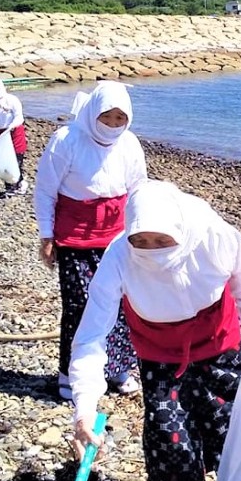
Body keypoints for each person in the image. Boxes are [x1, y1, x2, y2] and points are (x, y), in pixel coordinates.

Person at [68, 179, 241, 481]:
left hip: (218, 341)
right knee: (169, 430)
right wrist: (84, 407)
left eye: (161, 241)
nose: (151, 249)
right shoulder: (119, 257)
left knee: (231, 426)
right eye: (141, 241)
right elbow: (90, 336)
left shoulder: (213, 235)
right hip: (159, 351)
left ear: (178, 231)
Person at [34, 82, 147, 401]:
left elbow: (139, 190)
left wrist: (142, 233)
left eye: (118, 119)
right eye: (106, 117)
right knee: (80, 307)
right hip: (75, 240)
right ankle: (72, 374)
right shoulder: (67, 140)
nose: (112, 125)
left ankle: (118, 369)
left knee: (123, 305)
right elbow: (45, 191)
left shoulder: (130, 145)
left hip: (118, 238)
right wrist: (46, 235)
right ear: (93, 113)